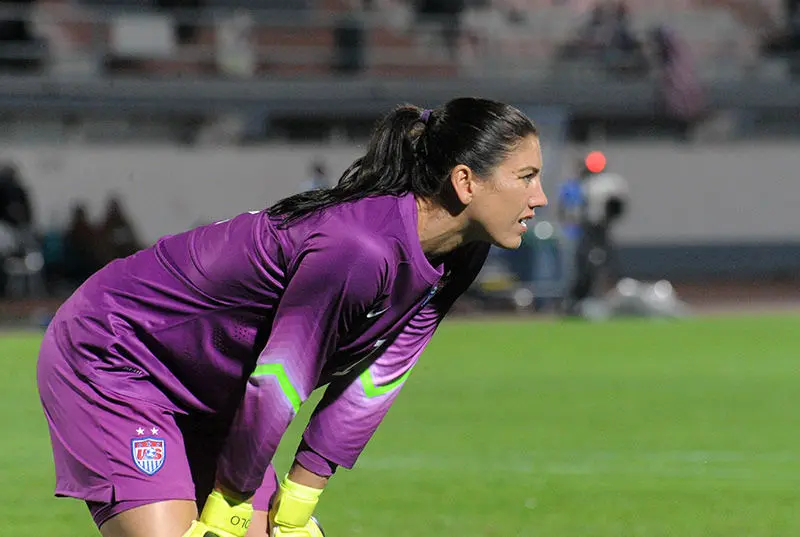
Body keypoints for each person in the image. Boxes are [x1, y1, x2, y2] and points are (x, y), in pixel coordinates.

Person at [37, 97, 548, 537]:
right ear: (465, 181)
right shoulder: (359, 248)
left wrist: (299, 504)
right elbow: (281, 379)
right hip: (118, 354)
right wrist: (231, 503)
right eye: (525, 178)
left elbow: (378, 376)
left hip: (217, 389)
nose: (539, 198)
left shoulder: (460, 253)